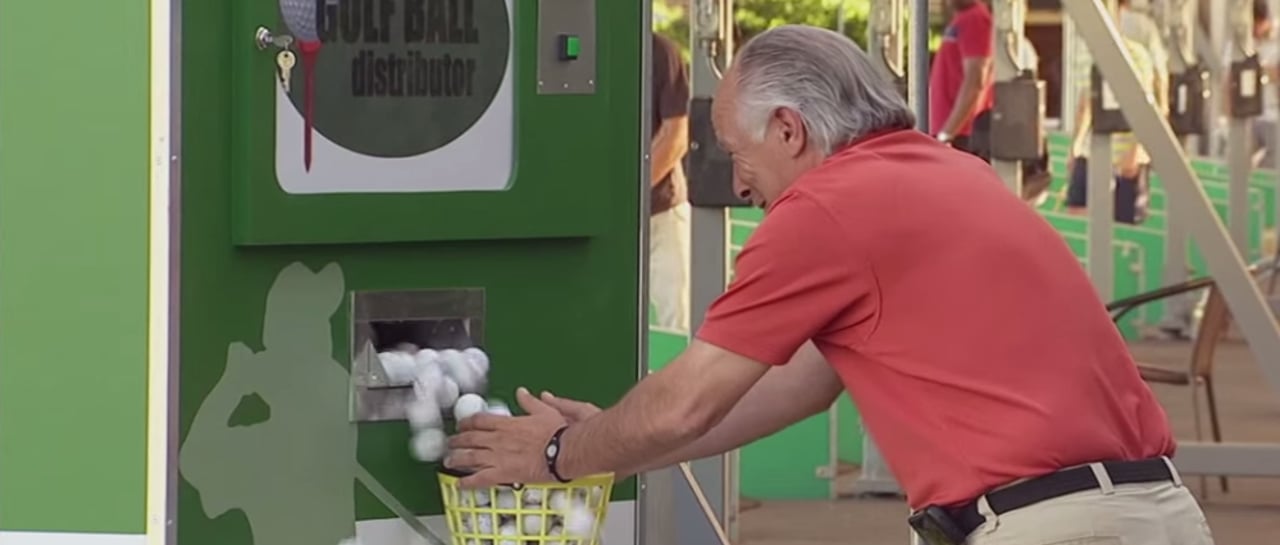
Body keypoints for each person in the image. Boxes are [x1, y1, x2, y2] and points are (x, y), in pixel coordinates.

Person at [445, 25, 1211, 545]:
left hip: (1054, 526)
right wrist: (609, 438)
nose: (738, 183)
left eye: (737, 152)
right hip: (1156, 513)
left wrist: (556, 454)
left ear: (789, 130)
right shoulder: (948, 170)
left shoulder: (826, 210)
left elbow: (687, 401)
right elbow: (797, 385)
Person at [1064, 15, 1161, 224]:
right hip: (1092, 152)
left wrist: (1137, 149)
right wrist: (1076, 146)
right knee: (1077, 218)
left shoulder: (1136, 55)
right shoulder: (1084, 53)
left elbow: (1148, 107)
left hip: (1126, 155)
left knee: (1123, 229)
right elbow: (1086, 102)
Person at [648, 33, 693, 333]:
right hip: (605, 221)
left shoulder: (660, 51)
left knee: (677, 324)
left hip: (661, 213)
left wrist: (628, 195)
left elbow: (676, 135)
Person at [929, 0, 994, 155]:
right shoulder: (962, 18)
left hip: (961, 136)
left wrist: (947, 133)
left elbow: (976, 79)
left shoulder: (975, 18)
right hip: (951, 134)